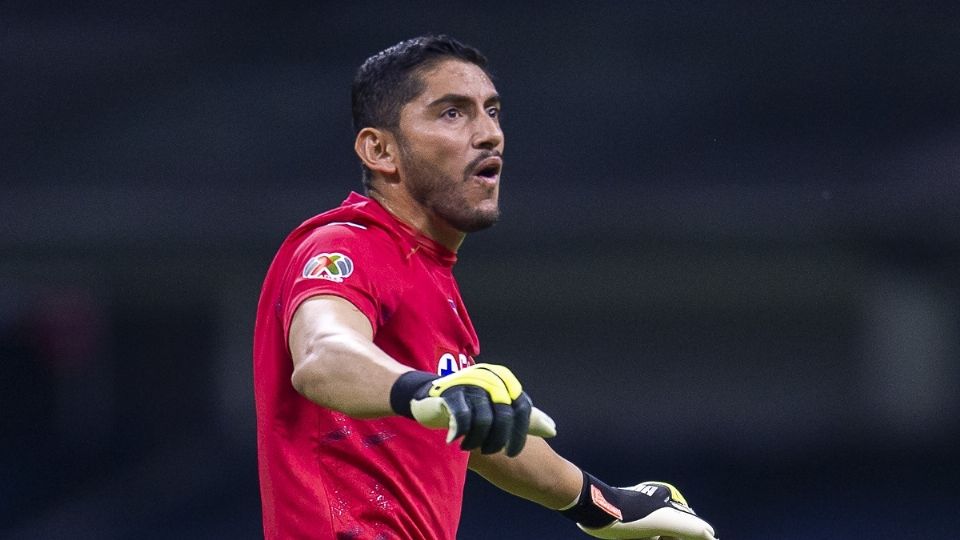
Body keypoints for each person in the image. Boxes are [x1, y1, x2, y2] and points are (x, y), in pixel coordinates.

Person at [253, 34, 717, 540]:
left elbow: (474, 435)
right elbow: (324, 354)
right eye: (452, 113)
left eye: (492, 111)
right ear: (380, 150)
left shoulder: (431, 280)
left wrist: (600, 503)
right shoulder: (349, 244)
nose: (489, 134)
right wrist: (426, 388)